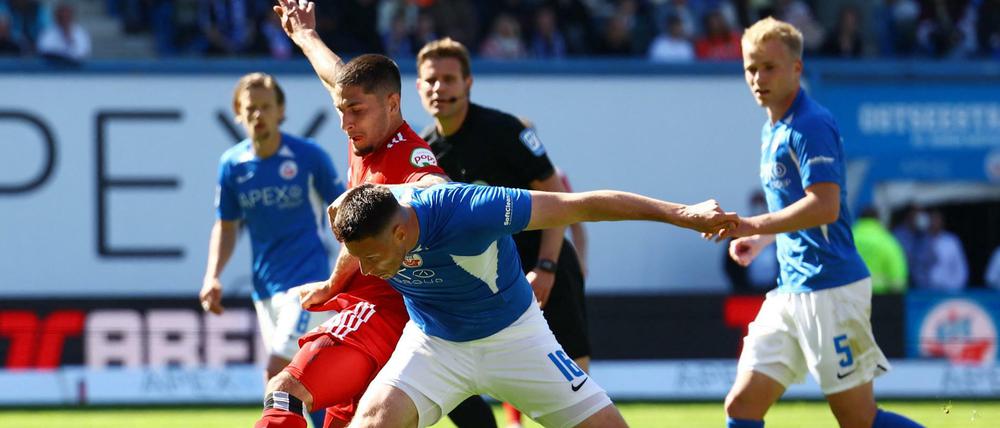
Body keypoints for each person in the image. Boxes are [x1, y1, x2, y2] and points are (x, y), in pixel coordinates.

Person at [255, 2, 495, 427]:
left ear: (392, 103)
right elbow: (336, 75)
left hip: (387, 313)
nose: (346, 123)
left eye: (356, 111)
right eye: (341, 110)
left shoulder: (413, 160)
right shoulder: (365, 128)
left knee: (284, 394)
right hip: (381, 316)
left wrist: (332, 284)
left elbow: (435, 190)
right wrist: (305, 36)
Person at [334, 182, 737, 428]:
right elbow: (340, 212)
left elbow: (583, 205)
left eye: (371, 258)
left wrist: (683, 213)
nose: (366, 272)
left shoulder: (472, 209)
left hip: (516, 338)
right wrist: (334, 282)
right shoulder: (365, 213)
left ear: (402, 232)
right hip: (432, 343)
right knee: (372, 422)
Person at [712, 17, 922, 428]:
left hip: (831, 289)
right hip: (791, 290)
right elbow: (795, 208)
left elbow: (824, 206)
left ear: (797, 68)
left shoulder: (810, 124)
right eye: (750, 68)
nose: (758, 78)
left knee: (858, 420)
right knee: (741, 407)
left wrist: (754, 226)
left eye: (769, 67)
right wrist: (762, 241)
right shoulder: (772, 128)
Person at [414, 36, 592, 428]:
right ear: (417, 87)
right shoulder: (423, 152)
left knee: (575, 382)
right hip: (481, 284)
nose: (438, 88)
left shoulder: (504, 130)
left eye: (448, 78)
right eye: (430, 80)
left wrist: (547, 265)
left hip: (542, 267)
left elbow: (557, 196)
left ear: (468, 82)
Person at [200, 72, 345, 428]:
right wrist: (212, 276)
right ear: (238, 112)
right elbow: (227, 225)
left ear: (281, 111)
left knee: (276, 372)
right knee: (306, 386)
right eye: (251, 108)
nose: (258, 115)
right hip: (264, 290)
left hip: (307, 285)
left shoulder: (308, 157)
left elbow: (344, 210)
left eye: (266, 107)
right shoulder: (233, 165)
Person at [852, 207, 908, 294]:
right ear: (878, 219)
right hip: (880, 296)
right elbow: (897, 273)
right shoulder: (886, 240)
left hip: (852, 293)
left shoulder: (848, 239)